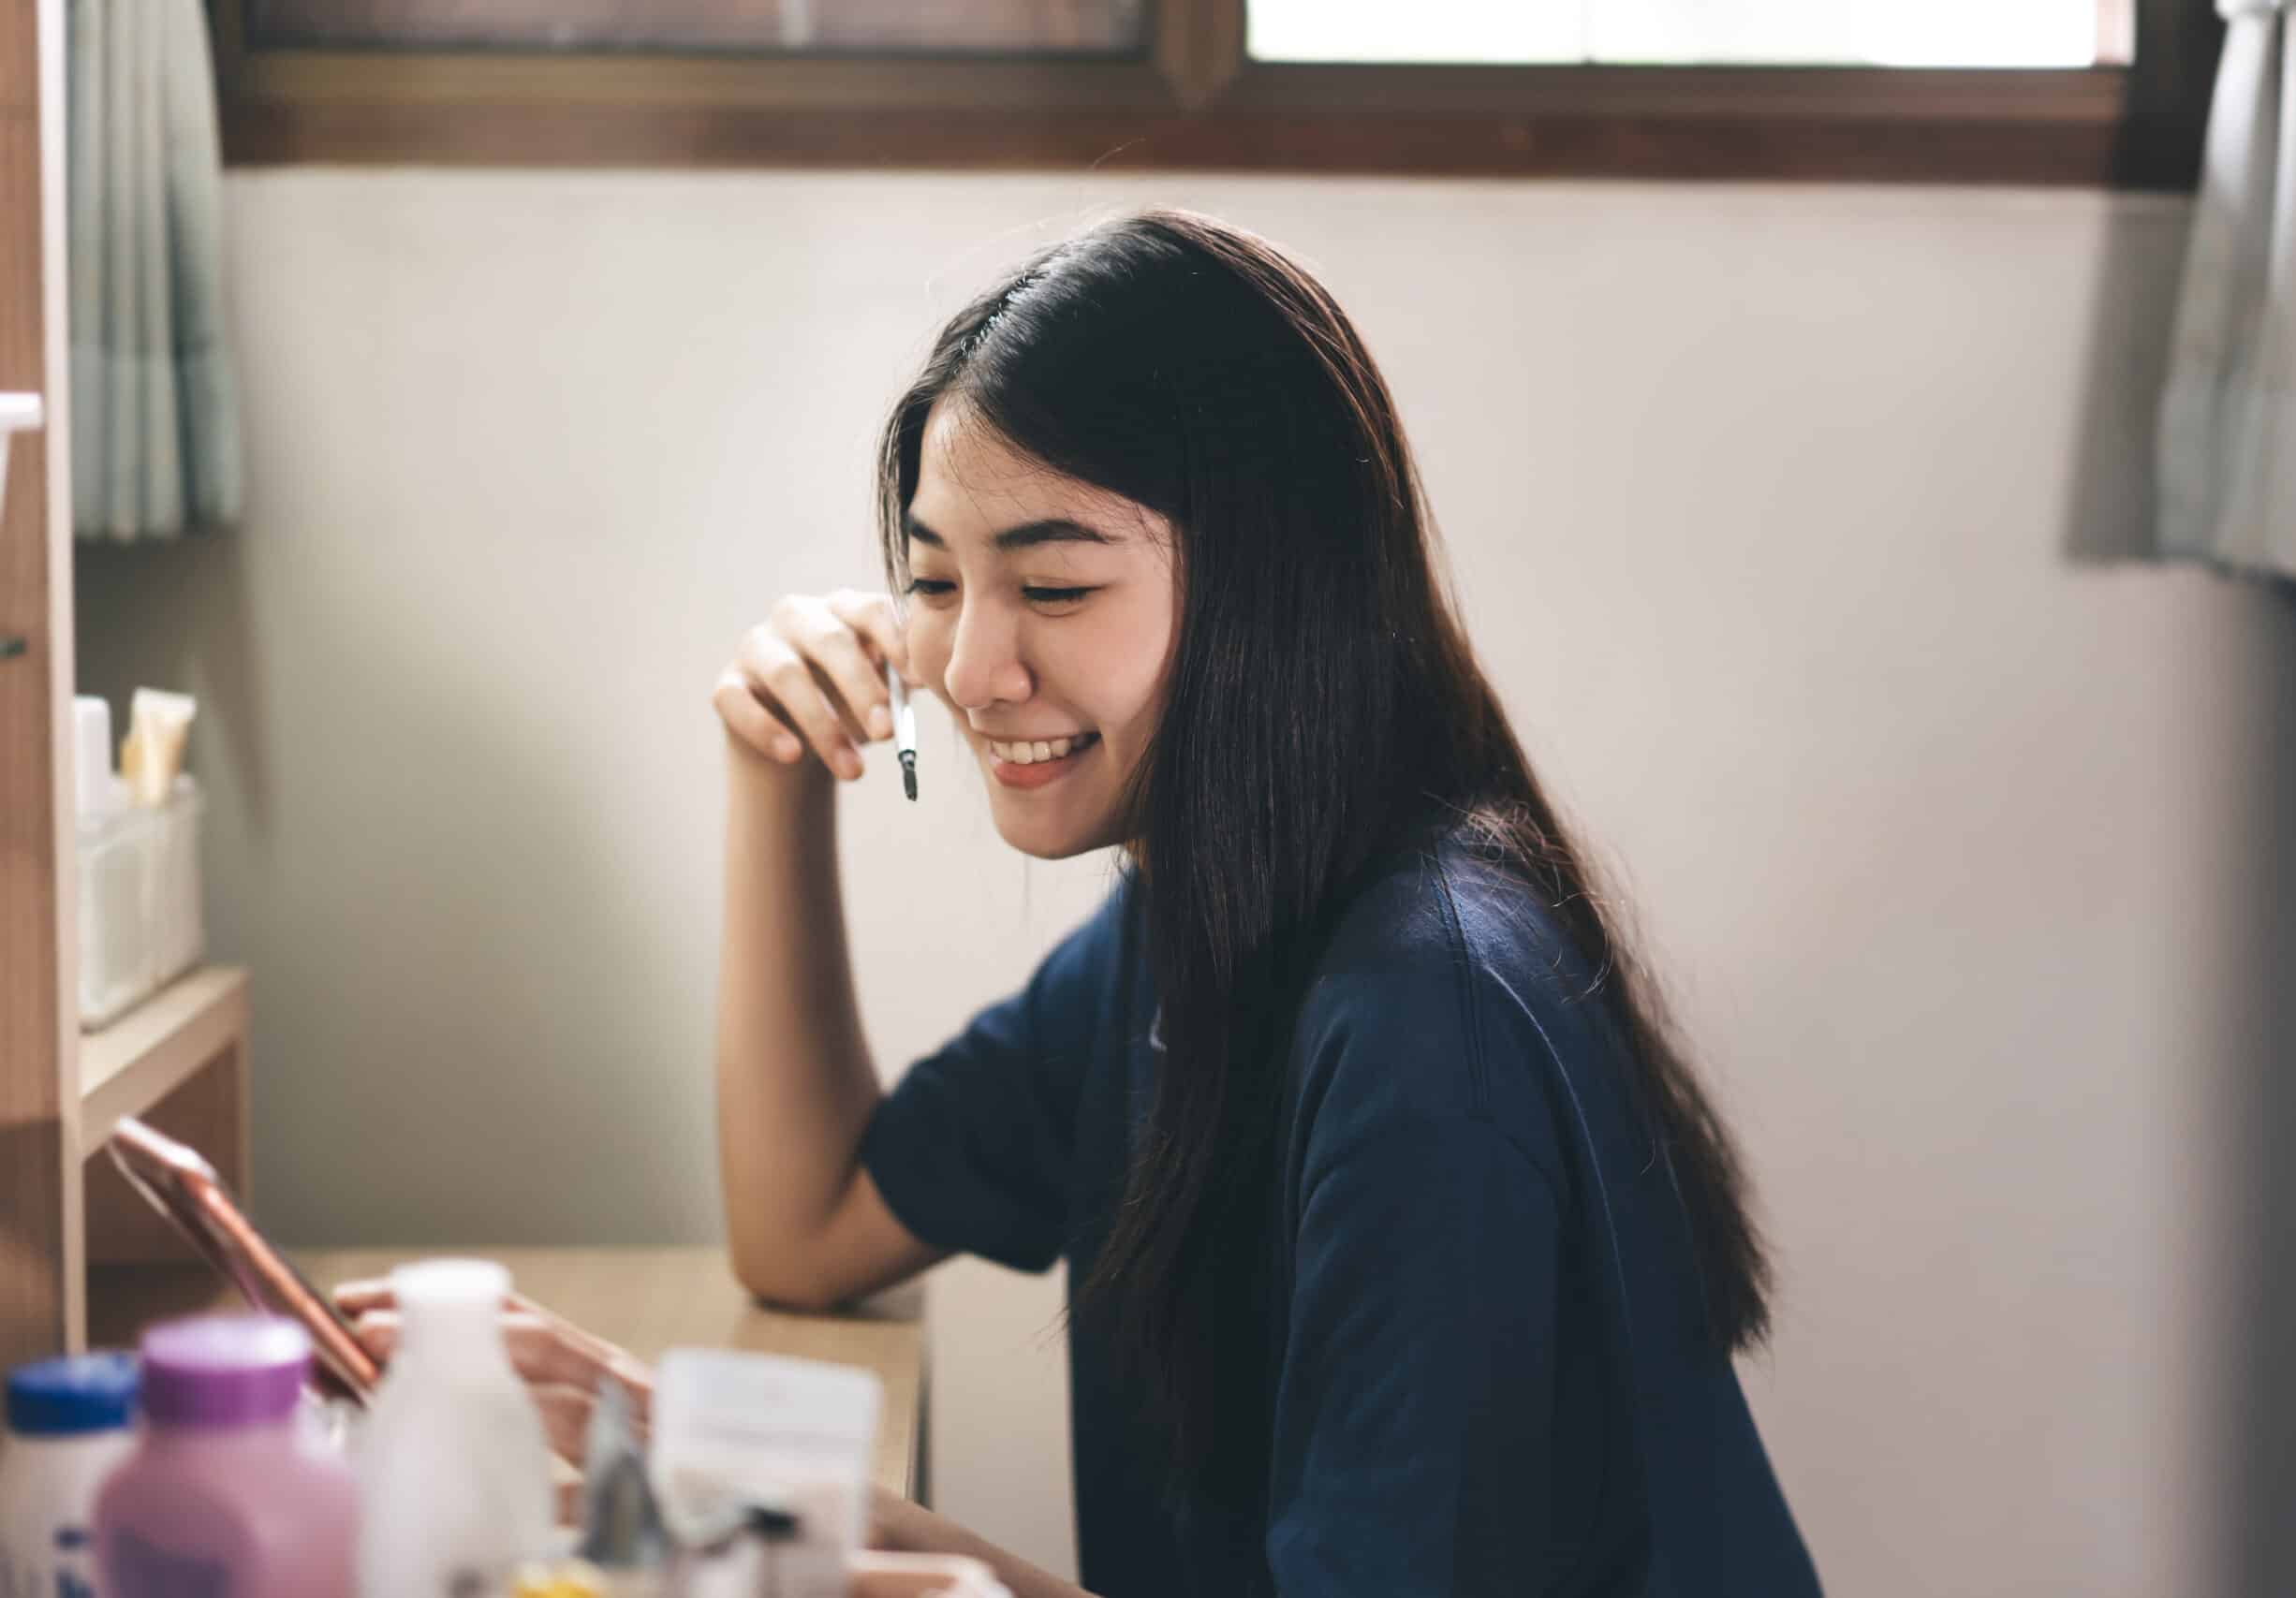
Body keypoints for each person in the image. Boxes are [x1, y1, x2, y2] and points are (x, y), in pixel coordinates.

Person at [341, 210, 1818, 1598]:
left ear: (1273, 588)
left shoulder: (1426, 1017)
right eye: (931, 581)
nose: (970, 668)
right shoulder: (1187, 933)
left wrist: (850, 1532)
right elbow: (810, 1229)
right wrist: (775, 774)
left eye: (1051, 591)